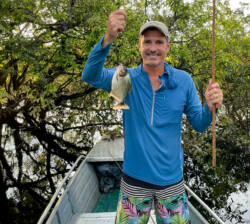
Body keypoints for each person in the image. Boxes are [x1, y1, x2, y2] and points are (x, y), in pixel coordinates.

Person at [82, 9, 223, 224]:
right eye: (147, 42)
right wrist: (108, 38)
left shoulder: (183, 80)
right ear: (139, 46)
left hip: (172, 184)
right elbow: (90, 75)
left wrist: (211, 107)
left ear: (167, 47)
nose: (153, 48)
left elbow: (200, 124)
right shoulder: (126, 78)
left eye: (159, 42)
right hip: (134, 183)